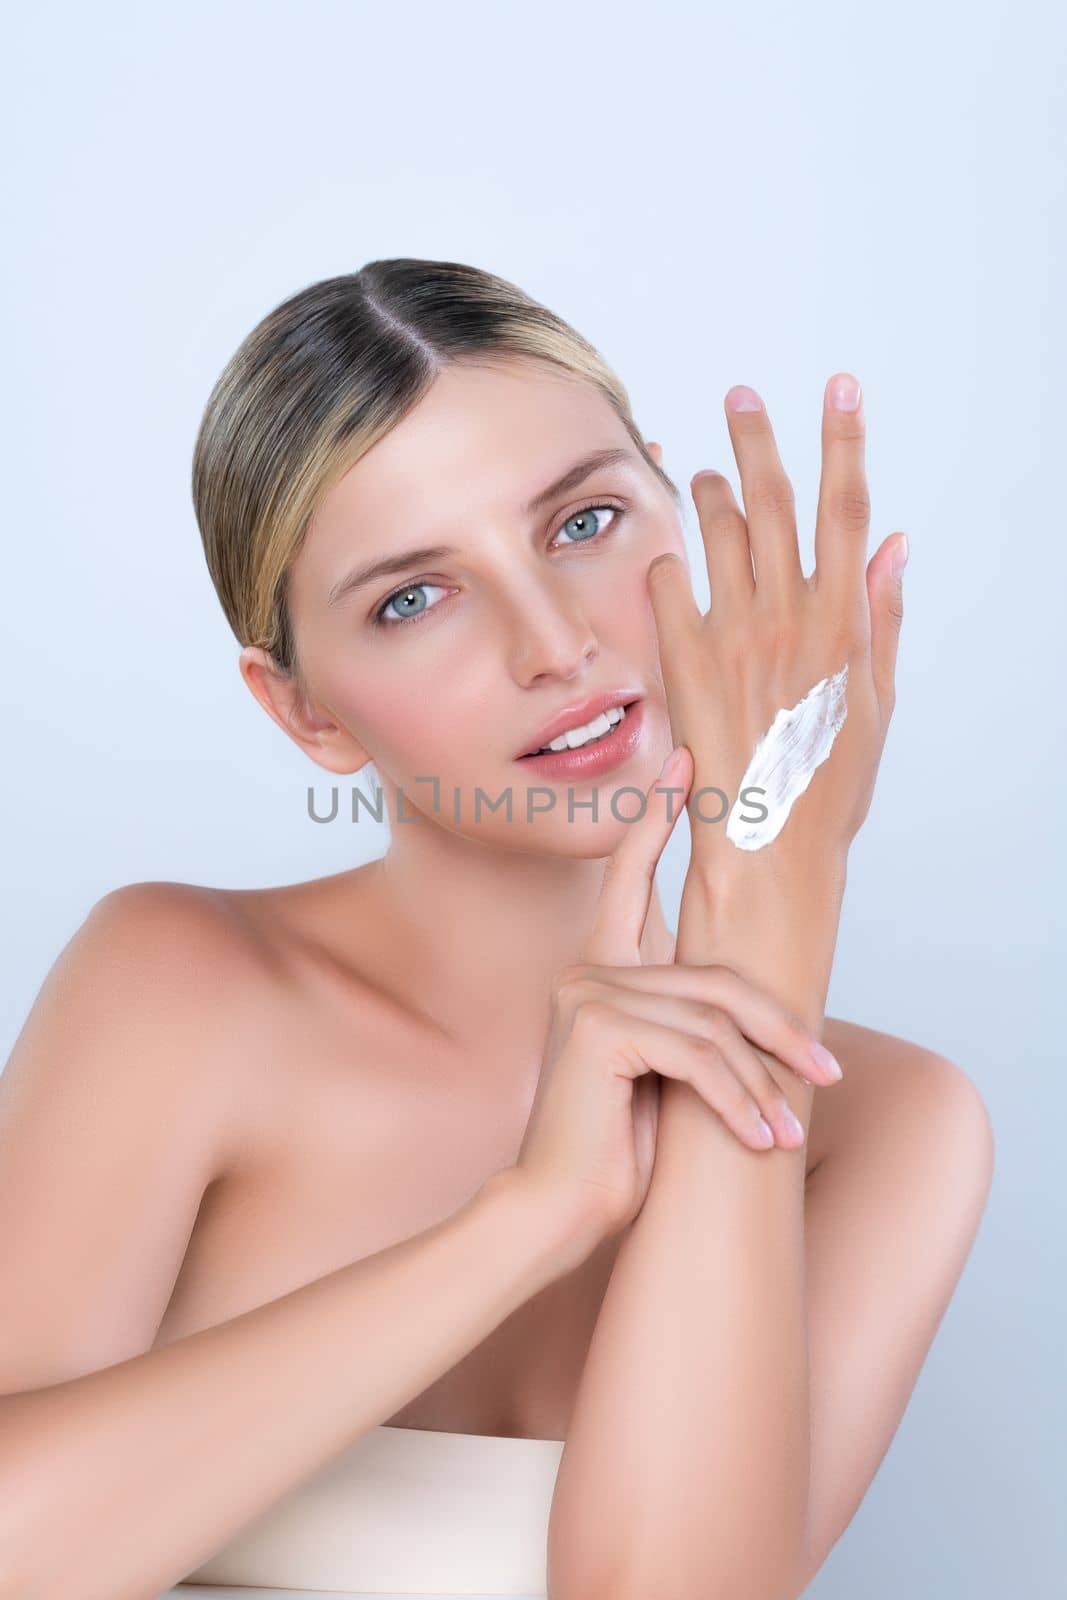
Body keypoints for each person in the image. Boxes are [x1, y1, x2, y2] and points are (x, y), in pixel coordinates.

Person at [0, 259, 995, 1599]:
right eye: (414, 596)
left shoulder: (893, 1123)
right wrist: (528, 1220)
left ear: (667, 499)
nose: (553, 644)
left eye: (584, 521)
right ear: (306, 714)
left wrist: (765, 923)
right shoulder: (182, 988)